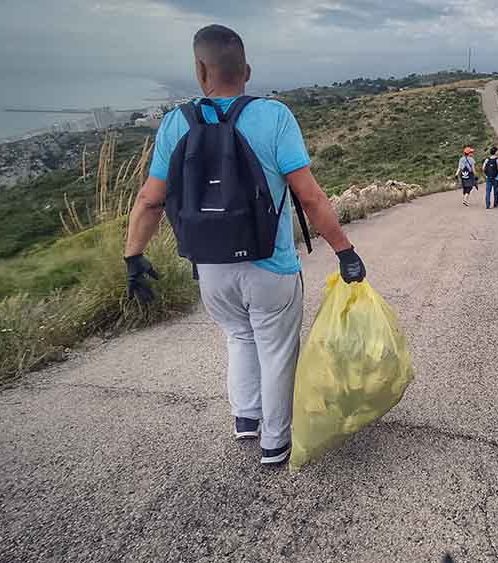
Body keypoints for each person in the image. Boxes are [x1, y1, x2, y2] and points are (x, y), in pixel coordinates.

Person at [122, 24, 365, 467]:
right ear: (247, 71)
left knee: (238, 337)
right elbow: (310, 196)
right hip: (269, 265)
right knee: (275, 347)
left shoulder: (177, 122)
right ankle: (275, 442)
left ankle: (246, 418)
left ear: (200, 70)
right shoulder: (274, 116)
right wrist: (345, 251)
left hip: (210, 266)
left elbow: (150, 199)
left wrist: (133, 256)